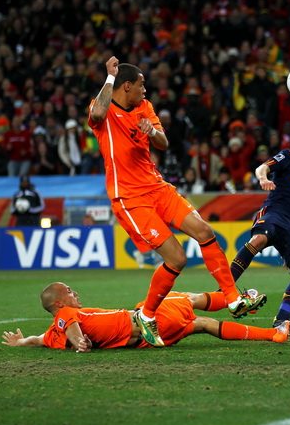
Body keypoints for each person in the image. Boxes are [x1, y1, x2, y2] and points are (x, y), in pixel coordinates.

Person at [88, 56, 265, 347]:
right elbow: (96, 114)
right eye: (141, 85)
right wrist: (109, 77)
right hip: (130, 198)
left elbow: (163, 142)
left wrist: (152, 131)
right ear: (126, 86)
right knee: (177, 259)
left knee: (204, 231)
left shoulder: (145, 107)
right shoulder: (103, 110)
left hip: (158, 188)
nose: (145, 90)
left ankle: (233, 299)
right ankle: (147, 315)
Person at [1, 282, 290, 352]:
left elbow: (40, 338)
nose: (75, 294)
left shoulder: (54, 334)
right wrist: (79, 342)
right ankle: (236, 301)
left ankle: (273, 335)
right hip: (145, 322)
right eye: (70, 291)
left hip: (150, 339)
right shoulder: (66, 314)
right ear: (60, 302)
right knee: (183, 297)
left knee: (202, 324)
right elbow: (73, 329)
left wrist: (21, 341)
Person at [230, 124, 290, 333]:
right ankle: (226, 290)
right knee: (258, 240)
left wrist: (287, 246)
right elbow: (262, 168)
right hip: (273, 215)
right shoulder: (288, 157)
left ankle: (282, 319)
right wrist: (263, 178)